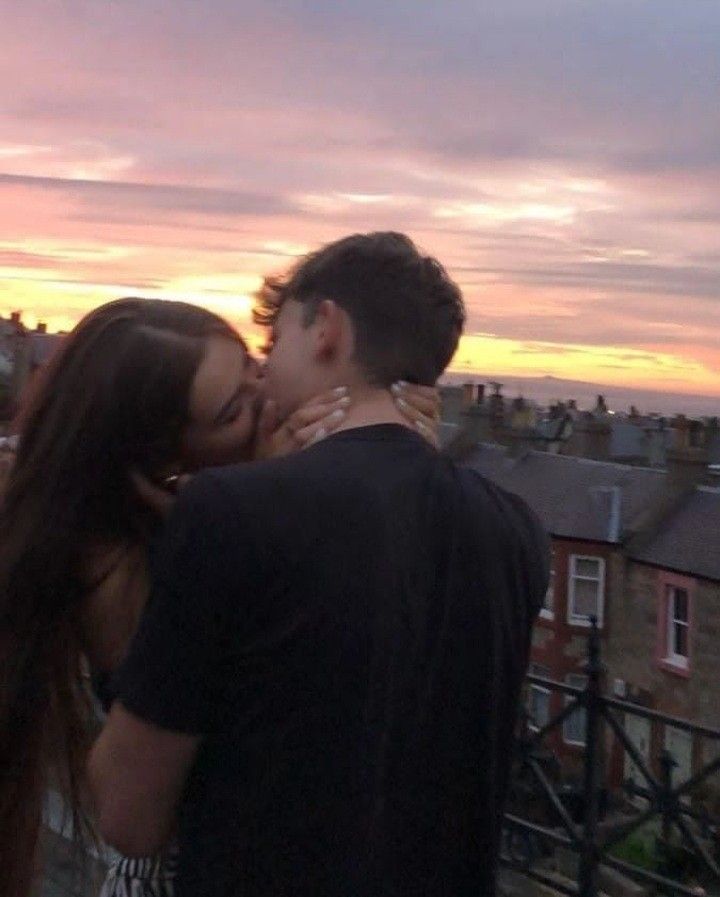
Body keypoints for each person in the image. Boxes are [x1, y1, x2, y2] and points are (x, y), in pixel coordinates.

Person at [89, 233, 550, 897]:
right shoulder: (517, 530)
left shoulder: (232, 510)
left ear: (326, 328)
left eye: (274, 344)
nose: (266, 372)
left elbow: (128, 816)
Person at [0, 295, 439, 897]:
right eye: (234, 411)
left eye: (255, 368)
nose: (268, 400)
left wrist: (398, 454)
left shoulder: (191, 513)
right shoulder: (114, 568)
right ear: (161, 462)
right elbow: (157, 794)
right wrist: (265, 497)